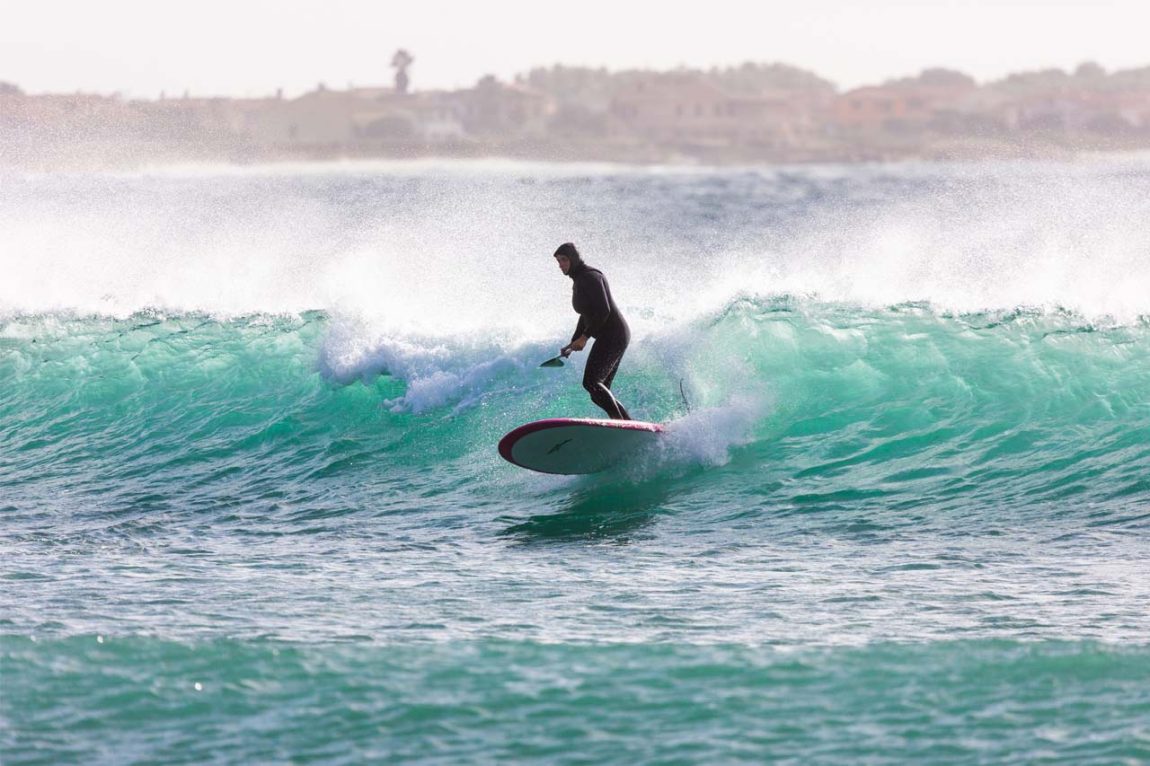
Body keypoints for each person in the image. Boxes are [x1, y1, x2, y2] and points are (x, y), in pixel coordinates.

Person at [554, 242, 632, 420]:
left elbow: (603, 310)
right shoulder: (579, 280)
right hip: (609, 336)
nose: (561, 265)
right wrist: (573, 341)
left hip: (614, 335)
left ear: (573, 258)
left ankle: (618, 423)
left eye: (564, 260)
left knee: (591, 382)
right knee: (598, 390)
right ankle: (628, 423)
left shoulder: (590, 276)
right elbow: (586, 315)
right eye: (558, 261)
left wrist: (585, 337)